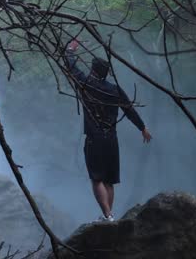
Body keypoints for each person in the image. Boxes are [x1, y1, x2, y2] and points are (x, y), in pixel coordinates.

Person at [64, 39, 152, 222]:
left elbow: (71, 66)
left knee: (97, 179)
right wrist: (142, 127)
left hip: (94, 138)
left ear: (93, 71)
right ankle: (109, 216)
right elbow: (129, 110)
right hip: (111, 138)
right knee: (109, 180)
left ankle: (108, 215)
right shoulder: (114, 90)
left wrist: (70, 50)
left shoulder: (86, 84)